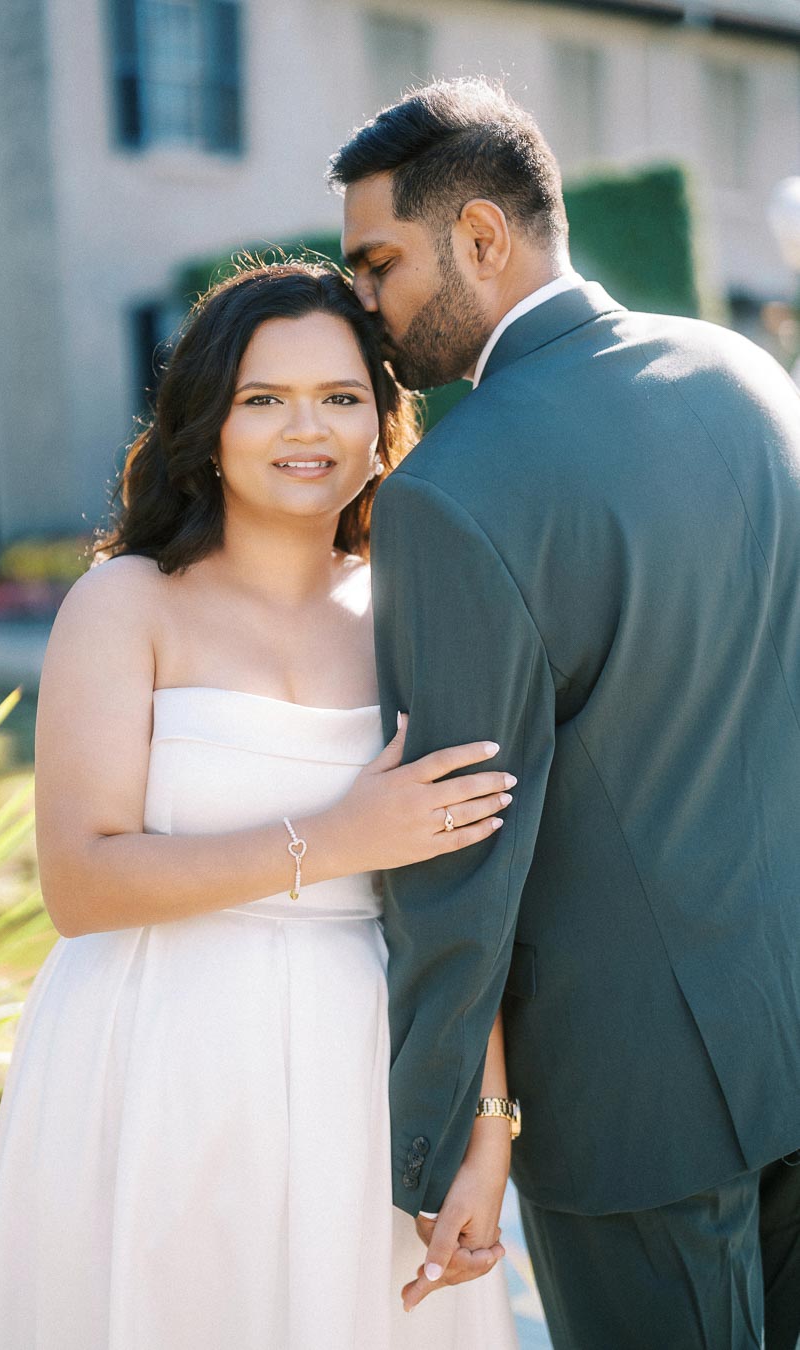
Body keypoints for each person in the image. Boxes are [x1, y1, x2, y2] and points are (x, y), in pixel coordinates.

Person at [0, 261, 523, 1350]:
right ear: (207, 422)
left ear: (382, 422)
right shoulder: (125, 605)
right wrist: (340, 838)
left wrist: (489, 1132)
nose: (302, 428)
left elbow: (467, 890)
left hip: (360, 1072)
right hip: (151, 1052)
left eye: (339, 397)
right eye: (262, 399)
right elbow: (80, 881)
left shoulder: (418, 613)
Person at [331, 77, 800, 1348]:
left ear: (482, 236)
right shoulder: (749, 377)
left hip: (632, 1111)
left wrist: (448, 1142)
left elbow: (455, 847)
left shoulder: (451, 488)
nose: (362, 305)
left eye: (377, 263)